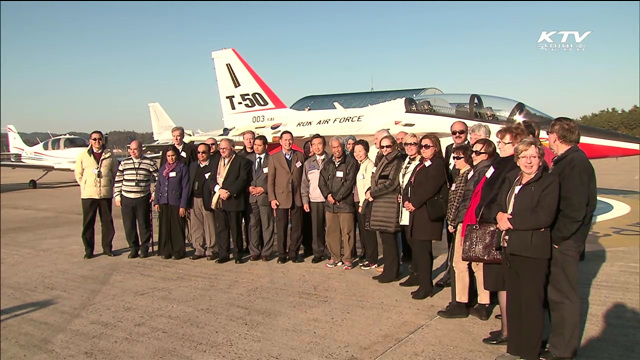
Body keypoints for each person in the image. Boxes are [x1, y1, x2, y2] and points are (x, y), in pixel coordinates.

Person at [493, 139, 560, 360]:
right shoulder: (513, 178)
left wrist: (510, 221)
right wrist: (499, 215)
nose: (528, 161)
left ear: (540, 158)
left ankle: (530, 353)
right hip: (510, 247)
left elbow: (544, 215)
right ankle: (515, 348)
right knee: (515, 301)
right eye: (524, 156)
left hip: (533, 250)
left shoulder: (548, 181)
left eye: (533, 156)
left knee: (531, 303)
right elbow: (499, 204)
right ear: (517, 159)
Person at [540, 117, 597, 360]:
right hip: (563, 240)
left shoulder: (574, 163)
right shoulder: (569, 160)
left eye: (549, 136)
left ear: (556, 136)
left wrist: (557, 238)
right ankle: (556, 343)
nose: (548, 140)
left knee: (563, 297)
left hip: (564, 242)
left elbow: (576, 209)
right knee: (556, 294)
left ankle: (562, 351)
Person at [477, 123, 526, 341]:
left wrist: (492, 212)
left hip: (501, 228)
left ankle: (509, 331)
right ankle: (507, 328)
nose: (501, 146)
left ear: (516, 144)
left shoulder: (514, 168)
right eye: (500, 142)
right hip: (490, 223)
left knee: (506, 283)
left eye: (504, 142)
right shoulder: (499, 163)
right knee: (499, 283)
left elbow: (503, 198)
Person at [438, 138, 496, 319]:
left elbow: (466, 200)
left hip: (470, 221)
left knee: (462, 263)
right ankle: (481, 302)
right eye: (474, 151)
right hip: (470, 220)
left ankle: (462, 302)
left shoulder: (480, 172)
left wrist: (456, 220)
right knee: (477, 263)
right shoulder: (477, 171)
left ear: (488, 155)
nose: (474, 155)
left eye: (478, 152)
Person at [401, 134, 447, 299]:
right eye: (422, 146)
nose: (423, 149)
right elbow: (408, 184)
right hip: (416, 212)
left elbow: (431, 187)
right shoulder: (420, 164)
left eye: (427, 146)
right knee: (418, 250)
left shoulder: (437, 164)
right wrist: (406, 199)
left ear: (435, 147)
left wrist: (414, 202)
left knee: (423, 250)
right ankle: (423, 283)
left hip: (426, 213)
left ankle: (426, 286)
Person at [204, 138, 251, 264]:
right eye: (221, 149)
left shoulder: (242, 161)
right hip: (219, 199)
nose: (222, 151)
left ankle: (238, 254)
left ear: (232, 148)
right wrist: (219, 190)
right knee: (222, 229)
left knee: (235, 229)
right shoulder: (215, 161)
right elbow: (210, 178)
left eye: (225, 148)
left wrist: (229, 192)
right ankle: (223, 254)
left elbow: (242, 180)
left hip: (233, 200)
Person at [75, 130, 119, 259]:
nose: (97, 141)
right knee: (88, 223)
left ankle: (107, 248)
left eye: (99, 139)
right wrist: (85, 184)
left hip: (105, 194)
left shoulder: (110, 155)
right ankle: (89, 250)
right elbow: (78, 173)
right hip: (88, 194)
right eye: (94, 139)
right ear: (90, 141)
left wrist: (109, 183)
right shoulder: (83, 156)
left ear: (103, 140)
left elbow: (114, 171)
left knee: (107, 222)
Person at [366, 135, 403, 283]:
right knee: (385, 239)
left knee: (389, 239)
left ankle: (392, 271)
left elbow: (392, 183)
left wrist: (373, 192)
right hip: (380, 203)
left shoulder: (396, 160)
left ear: (394, 146)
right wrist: (370, 190)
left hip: (388, 203)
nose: (385, 149)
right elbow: (375, 179)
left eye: (388, 146)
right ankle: (388, 270)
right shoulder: (382, 160)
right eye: (383, 147)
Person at [114, 139, 159, 259]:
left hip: (143, 198)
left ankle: (144, 248)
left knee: (144, 224)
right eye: (131, 149)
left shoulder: (150, 162)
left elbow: (158, 179)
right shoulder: (124, 163)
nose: (133, 152)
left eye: (135, 149)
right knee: (129, 225)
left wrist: (155, 193)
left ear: (141, 149)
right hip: (127, 198)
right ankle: (133, 248)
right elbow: (118, 180)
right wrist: (117, 196)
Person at [319, 136, 358, 269]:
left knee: (347, 233)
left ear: (343, 147)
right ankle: (335, 257)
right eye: (334, 147)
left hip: (345, 204)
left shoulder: (350, 162)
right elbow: (321, 181)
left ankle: (348, 258)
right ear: (331, 148)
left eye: (339, 147)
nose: (336, 150)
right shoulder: (328, 163)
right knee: (332, 232)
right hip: (330, 205)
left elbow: (349, 182)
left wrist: (337, 197)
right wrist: (328, 195)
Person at [438, 120, 469, 287]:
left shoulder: (471, 150)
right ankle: (450, 272)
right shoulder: (449, 149)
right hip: (450, 200)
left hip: (463, 201)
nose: (457, 135)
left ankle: (457, 276)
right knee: (451, 241)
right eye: (454, 132)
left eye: (461, 132)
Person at [268, 130, 305, 264]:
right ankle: (282, 254)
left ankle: (293, 252)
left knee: (297, 227)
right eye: (285, 140)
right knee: (281, 227)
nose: (288, 142)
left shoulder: (299, 156)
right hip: (281, 197)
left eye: (290, 139)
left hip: (297, 196)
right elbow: (270, 179)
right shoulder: (274, 157)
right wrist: (272, 198)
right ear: (281, 141)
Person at [154, 145, 190, 260]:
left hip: (176, 202)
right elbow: (158, 186)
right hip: (164, 201)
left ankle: (178, 251)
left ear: (177, 155)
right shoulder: (163, 169)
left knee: (177, 228)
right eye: (169, 156)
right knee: (165, 227)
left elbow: (186, 187)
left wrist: (183, 205)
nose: (171, 158)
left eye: (173, 156)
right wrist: (156, 201)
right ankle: (166, 250)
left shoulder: (182, 168)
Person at [397, 133, 422, 286]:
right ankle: (415, 271)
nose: (410, 147)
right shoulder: (406, 160)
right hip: (404, 207)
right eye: (407, 144)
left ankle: (418, 274)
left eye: (413, 143)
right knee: (409, 241)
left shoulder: (421, 162)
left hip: (415, 208)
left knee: (417, 244)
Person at [186, 143, 217, 261]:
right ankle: (198, 249)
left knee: (209, 225)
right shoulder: (193, 166)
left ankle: (211, 249)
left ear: (208, 153)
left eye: (203, 152)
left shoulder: (213, 165)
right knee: (196, 225)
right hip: (194, 198)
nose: (200, 155)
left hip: (207, 199)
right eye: (198, 152)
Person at [301, 134, 329, 263]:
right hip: (315, 200)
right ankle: (318, 252)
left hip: (329, 200)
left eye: (319, 144)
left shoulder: (331, 160)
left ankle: (331, 251)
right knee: (316, 229)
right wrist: (305, 200)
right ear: (311, 147)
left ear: (324, 145)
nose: (317, 147)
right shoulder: (308, 163)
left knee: (330, 228)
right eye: (314, 145)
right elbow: (305, 184)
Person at [246, 135, 275, 261]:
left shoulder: (271, 159)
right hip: (252, 198)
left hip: (264, 197)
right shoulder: (248, 159)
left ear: (265, 146)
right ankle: (254, 251)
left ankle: (267, 251)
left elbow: (274, 179)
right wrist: (249, 188)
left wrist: (263, 189)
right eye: (255, 145)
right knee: (253, 225)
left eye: (259, 145)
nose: (256, 147)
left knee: (267, 225)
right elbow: (244, 177)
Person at [353, 139, 377, 269]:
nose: (357, 153)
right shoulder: (361, 164)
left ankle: (372, 259)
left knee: (369, 232)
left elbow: (368, 185)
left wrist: (362, 204)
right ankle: (369, 256)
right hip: (362, 203)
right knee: (364, 232)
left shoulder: (369, 165)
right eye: (356, 151)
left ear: (366, 151)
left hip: (366, 204)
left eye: (360, 151)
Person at [237, 130, 255, 255]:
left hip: (255, 192)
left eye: (251, 138)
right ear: (243, 140)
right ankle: (246, 246)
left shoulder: (260, 153)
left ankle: (254, 246)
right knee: (243, 222)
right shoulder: (239, 156)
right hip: (242, 193)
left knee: (253, 222)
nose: (249, 141)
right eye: (247, 139)